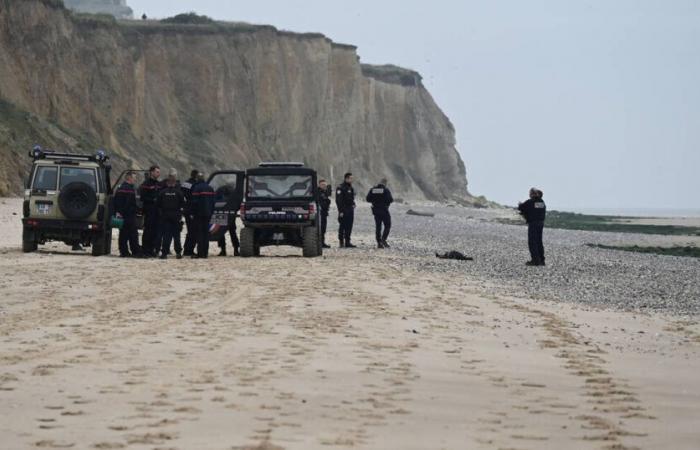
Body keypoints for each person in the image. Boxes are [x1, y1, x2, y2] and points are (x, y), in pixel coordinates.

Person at [157, 170, 186, 260]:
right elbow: (183, 204)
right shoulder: (179, 193)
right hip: (176, 216)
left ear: (167, 182)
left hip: (165, 215)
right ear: (175, 182)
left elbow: (158, 204)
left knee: (166, 235)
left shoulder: (162, 192)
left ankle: (164, 253)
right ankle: (178, 253)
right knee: (176, 235)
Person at [114, 171, 141, 257]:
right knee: (133, 234)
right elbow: (130, 203)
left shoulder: (120, 187)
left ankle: (124, 251)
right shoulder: (129, 189)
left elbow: (116, 202)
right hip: (128, 215)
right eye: (134, 178)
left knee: (123, 234)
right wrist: (136, 210)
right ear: (129, 178)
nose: (135, 180)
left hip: (122, 214)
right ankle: (135, 251)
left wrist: (118, 212)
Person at [189, 172, 216, 259]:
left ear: (197, 179)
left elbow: (194, 202)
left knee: (200, 233)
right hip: (208, 214)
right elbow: (213, 202)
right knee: (206, 233)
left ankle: (200, 253)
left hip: (199, 214)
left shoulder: (197, 188)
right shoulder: (210, 188)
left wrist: (192, 213)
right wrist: (211, 212)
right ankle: (205, 253)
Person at [518, 188, 547, 266]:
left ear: (531, 194)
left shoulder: (530, 201)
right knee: (539, 242)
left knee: (532, 242)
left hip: (533, 223)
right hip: (541, 223)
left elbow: (521, 207)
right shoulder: (542, 202)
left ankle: (535, 260)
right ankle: (542, 260)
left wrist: (520, 205)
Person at [139, 165, 162, 257]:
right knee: (148, 230)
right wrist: (153, 199)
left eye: (159, 172)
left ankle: (152, 249)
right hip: (149, 210)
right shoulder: (146, 184)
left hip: (157, 211)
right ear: (151, 172)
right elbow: (142, 197)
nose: (158, 173)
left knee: (155, 231)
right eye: (157, 172)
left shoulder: (158, 184)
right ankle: (145, 250)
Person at [366, 178, 394, 248]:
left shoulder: (373, 189)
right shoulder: (386, 190)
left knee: (378, 227)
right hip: (384, 210)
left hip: (376, 211)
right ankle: (383, 240)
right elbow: (390, 200)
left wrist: (374, 201)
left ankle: (379, 242)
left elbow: (368, 199)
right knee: (387, 225)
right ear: (385, 183)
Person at [216, 184, 240, 257]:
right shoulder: (234, 193)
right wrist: (234, 211)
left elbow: (215, 201)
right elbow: (238, 204)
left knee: (220, 233)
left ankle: (223, 250)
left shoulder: (219, 191)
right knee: (233, 232)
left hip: (221, 214)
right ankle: (236, 250)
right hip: (231, 215)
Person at [336, 172, 356, 248]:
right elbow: (338, 200)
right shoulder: (341, 187)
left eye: (352, 178)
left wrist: (353, 203)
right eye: (350, 178)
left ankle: (348, 242)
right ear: (346, 178)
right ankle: (341, 242)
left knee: (349, 226)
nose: (352, 180)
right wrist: (340, 211)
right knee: (342, 226)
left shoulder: (351, 187)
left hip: (350, 210)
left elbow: (351, 199)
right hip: (343, 210)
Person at [181, 169, 198, 257]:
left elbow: (181, 195)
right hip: (192, 210)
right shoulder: (195, 185)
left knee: (190, 230)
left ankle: (186, 249)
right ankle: (189, 250)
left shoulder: (185, 183)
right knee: (193, 231)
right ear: (196, 176)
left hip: (185, 209)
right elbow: (195, 198)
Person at [318, 179, 332, 248]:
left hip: (324, 213)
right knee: (320, 229)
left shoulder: (324, 192)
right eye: (323, 185)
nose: (324, 186)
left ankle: (322, 242)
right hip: (320, 213)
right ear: (319, 185)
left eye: (325, 185)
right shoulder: (318, 192)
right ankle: (319, 243)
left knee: (323, 229)